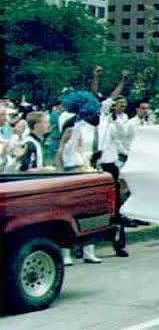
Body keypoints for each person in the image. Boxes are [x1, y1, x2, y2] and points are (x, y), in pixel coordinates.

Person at [58, 91, 104, 264]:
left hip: (87, 168)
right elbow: (67, 150)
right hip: (75, 169)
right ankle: (66, 253)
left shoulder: (91, 127)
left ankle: (88, 250)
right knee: (70, 211)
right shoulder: (71, 126)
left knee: (89, 211)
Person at [97, 96, 130, 257]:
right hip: (95, 166)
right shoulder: (94, 125)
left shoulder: (113, 123)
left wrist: (115, 119)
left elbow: (122, 136)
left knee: (116, 206)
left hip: (110, 166)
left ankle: (119, 244)